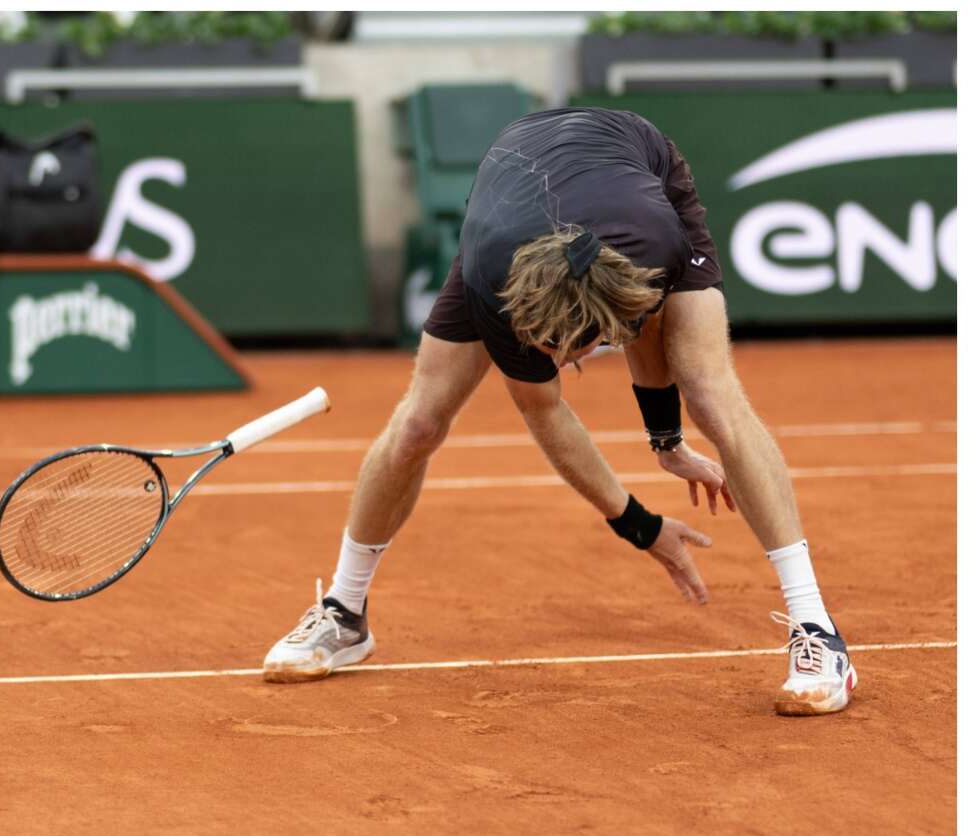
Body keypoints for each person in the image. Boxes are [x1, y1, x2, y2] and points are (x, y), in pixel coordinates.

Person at [262, 106, 856, 716]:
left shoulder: (656, 241)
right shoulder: (495, 280)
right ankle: (344, 610)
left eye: (559, 351)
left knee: (712, 394)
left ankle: (816, 629)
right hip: (509, 195)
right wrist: (639, 525)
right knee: (419, 421)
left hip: (630, 161)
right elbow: (544, 410)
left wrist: (668, 440)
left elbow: (648, 335)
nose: (548, 359)